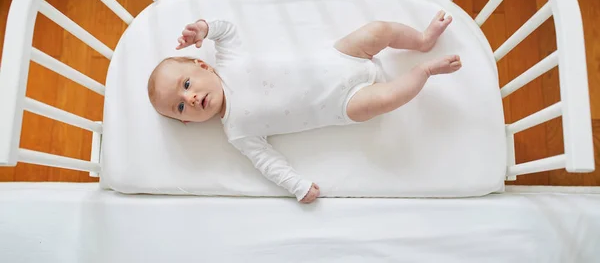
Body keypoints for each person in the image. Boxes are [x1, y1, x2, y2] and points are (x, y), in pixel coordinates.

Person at [147, 12, 461, 204]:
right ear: (186, 122)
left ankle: (420, 40)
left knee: (378, 30)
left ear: (203, 65)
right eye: (179, 108)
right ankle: (424, 72)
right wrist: (297, 186)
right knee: (385, 101)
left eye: (186, 85)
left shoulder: (230, 60)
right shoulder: (237, 132)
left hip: (341, 58)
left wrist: (203, 28)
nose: (189, 99)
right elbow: (268, 163)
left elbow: (226, 30)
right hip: (342, 104)